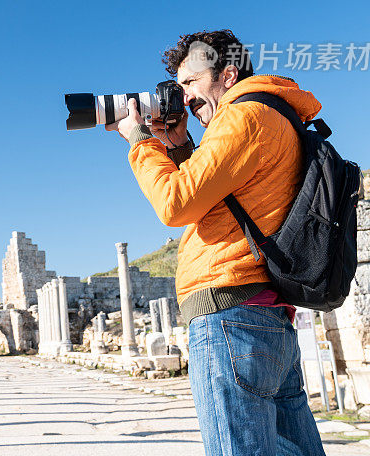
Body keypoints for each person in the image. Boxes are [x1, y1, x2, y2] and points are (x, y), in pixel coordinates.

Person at [106, 29, 326, 456]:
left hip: (230, 317)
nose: (183, 97)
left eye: (190, 83)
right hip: (263, 317)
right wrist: (180, 145)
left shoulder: (244, 116)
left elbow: (176, 203)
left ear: (227, 74)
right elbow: (229, 200)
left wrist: (139, 141)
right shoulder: (273, 113)